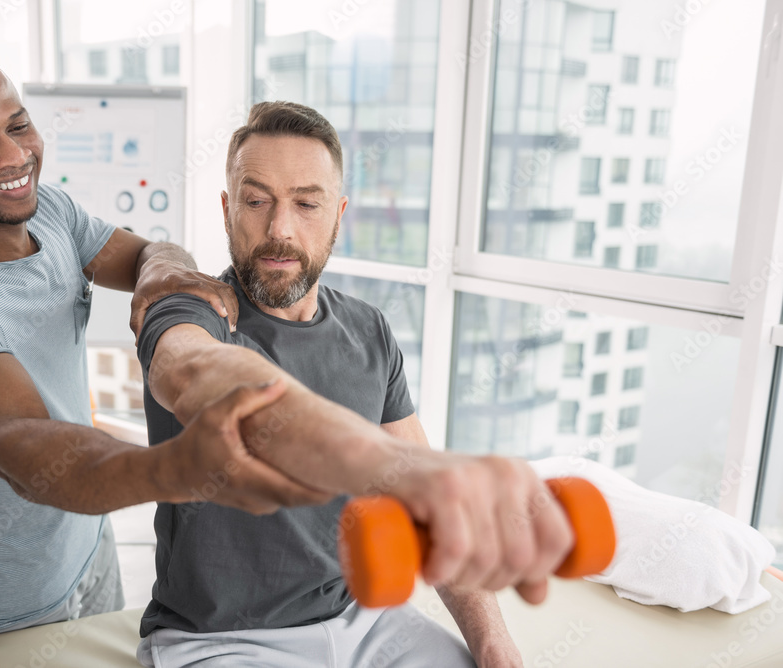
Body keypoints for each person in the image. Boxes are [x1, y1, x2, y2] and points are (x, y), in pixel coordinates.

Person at [0, 46, 328, 639]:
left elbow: (145, 253)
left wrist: (163, 270)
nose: (15, 155)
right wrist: (177, 467)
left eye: (18, 125)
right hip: (9, 593)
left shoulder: (48, 216)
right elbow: (24, 446)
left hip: (88, 543)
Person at [134, 101, 574, 666]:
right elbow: (189, 372)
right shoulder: (190, 313)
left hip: (364, 622)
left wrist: (493, 640)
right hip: (220, 642)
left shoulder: (369, 329)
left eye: (307, 204)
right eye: (256, 200)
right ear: (226, 210)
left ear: (338, 216)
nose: (279, 229)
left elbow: (426, 507)